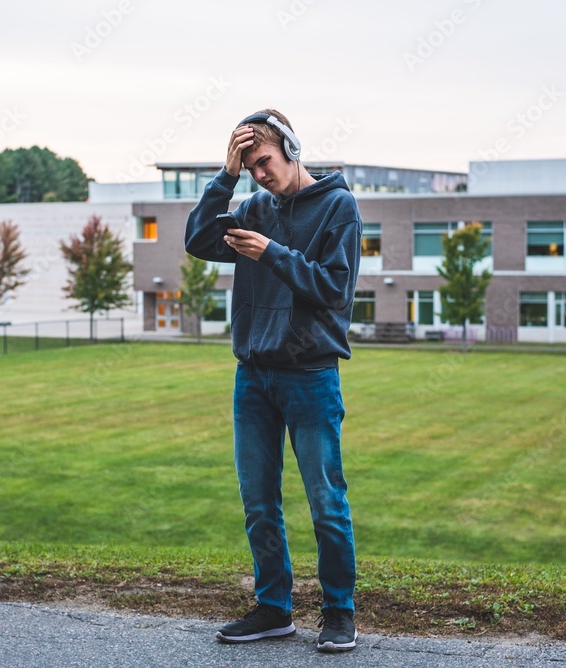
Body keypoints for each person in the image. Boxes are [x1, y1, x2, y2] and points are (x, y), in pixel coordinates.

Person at [185, 109, 362, 653]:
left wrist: (272, 253)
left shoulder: (339, 206)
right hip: (253, 376)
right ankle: (273, 608)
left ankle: (338, 612)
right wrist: (225, 176)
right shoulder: (253, 206)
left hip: (310, 375)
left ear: (291, 148)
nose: (260, 174)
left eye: (263, 161)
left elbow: (334, 289)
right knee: (258, 501)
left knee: (325, 500)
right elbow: (197, 241)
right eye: (249, 166)